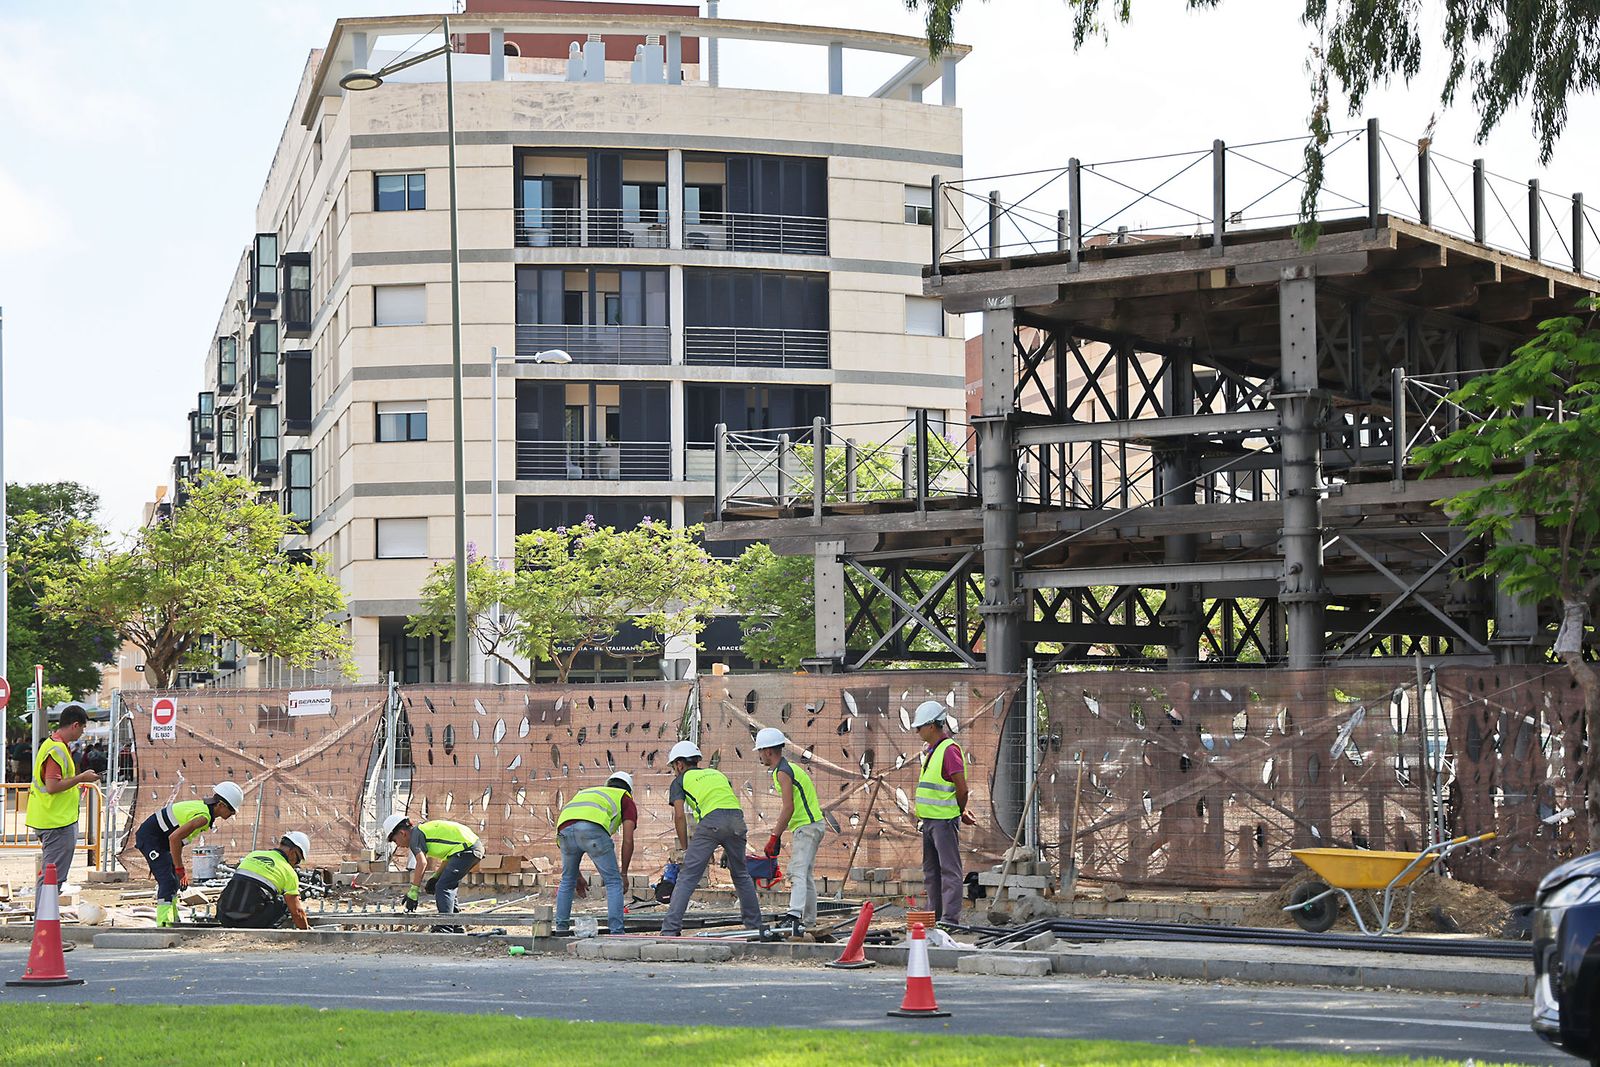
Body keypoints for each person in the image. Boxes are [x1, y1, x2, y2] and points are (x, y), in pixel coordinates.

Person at [659, 740, 764, 938]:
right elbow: (728, 809)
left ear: (680, 764)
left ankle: (669, 930)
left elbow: (679, 816)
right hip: (737, 820)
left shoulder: (679, 781)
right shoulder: (717, 774)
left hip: (711, 822)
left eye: (674, 767)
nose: (674, 770)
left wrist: (685, 848)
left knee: (688, 876)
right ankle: (755, 928)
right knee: (741, 876)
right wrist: (727, 847)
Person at [134, 781, 244, 926]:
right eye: (231, 810)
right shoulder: (203, 817)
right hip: (151, 840)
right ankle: (164, 924)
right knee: (167, 881)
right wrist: (180, 869)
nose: (232, 814)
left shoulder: (204, 811)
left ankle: (173, 919)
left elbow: (175, 839)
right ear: (221, 805)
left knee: (173, 881)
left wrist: (177, 869)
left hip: (160, 840)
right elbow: (174, 838)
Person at [26, 704, 100, 909]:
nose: (83, 732)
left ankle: (45, 922)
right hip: (55, 822)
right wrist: (81, 778)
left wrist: (78, 785)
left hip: (53, 818)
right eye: (83, 728)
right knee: (52, 877)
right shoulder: (57, 749)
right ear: (75, 725)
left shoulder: (54, 744)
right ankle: (44, 925)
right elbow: (52, 786)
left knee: (51, 876)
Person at [754, 728, 825, 936]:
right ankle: (809, 920)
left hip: (807, 826)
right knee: (806, 874)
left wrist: (774, 836)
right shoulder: (788, 768)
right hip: (813, 825)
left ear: (768, 751)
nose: (759, 755)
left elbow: (788, 807)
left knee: (797, 872)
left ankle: (794, 916)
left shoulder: (783, 771)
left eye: (760, 751)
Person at [913, 700, 976, 928]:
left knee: (949, 870)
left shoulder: (949, 750)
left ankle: (949, 920)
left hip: (943, 821)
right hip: (930, 821)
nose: (917, 731)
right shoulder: (933, 750)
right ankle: (934, 917)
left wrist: (958, 812)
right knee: (931, 872)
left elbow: (962, 788)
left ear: (932, 725)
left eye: (919, 727)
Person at [554, 771, 637, 935]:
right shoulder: (625, 798)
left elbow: (571, 825)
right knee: (614, 882)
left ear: (608, 784)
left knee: (567, 880)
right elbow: (628, 839)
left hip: (563, 830)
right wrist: (624, 874)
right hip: (592, 829)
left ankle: (561, 929)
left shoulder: (587, 793)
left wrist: (576, 874)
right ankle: (617, 932)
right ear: (629, 789)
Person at [380, 814, 483, 932]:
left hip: (467, 848)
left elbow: (422, 863)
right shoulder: (422, 831)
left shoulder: (415, 837)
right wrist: (436, 877)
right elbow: (449, 857)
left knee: (444, 886)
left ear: (403, 833)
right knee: (446, 884)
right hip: (470, 847)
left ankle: (445, 926)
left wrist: (414, 891)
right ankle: (455, 925)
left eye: (395, 840)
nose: (397, 844)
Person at [217, 831, 312, 930]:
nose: (296, 864)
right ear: (293, 852)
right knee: (287, 902)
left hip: (224, 918)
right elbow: (297, 912)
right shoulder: (289, 872)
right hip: (251, 923)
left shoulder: (253, 855)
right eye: (298, 860)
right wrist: (306, 931)